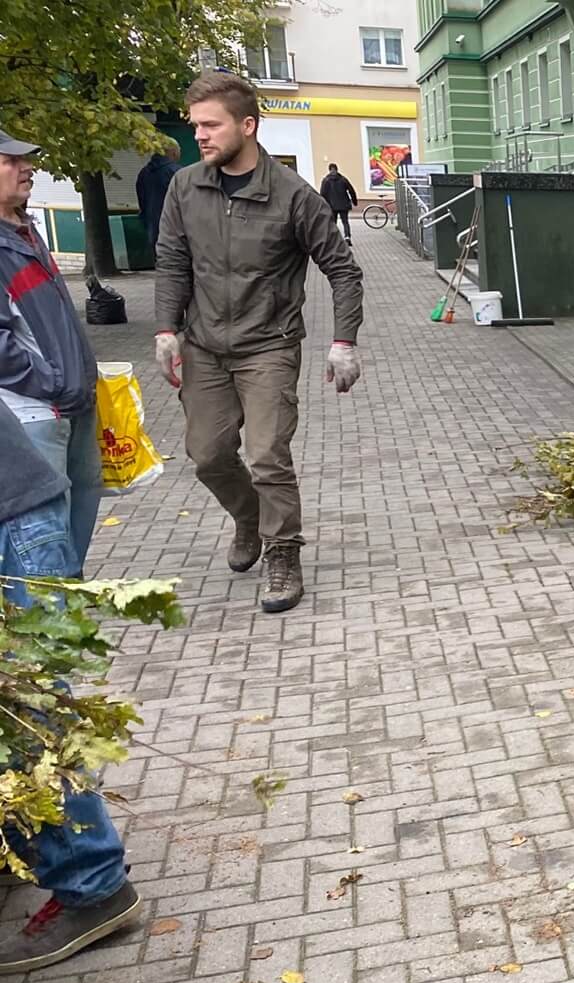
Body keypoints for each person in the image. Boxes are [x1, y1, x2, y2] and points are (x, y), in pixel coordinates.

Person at [154, 72, 365, 613]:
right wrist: (164, 329)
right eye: (195, 124)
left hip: (268, 346)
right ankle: (248, 517)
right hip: (204, 346)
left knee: (268, 454)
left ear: (247, 126)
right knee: (207, 455)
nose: (198, 135)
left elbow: (342, 270)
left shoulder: (293, 197)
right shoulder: (185, 187)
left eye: (210, 125)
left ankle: (282, 551)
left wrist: (344, 341)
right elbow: (174, 262)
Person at [0, 406, 144, 975]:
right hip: (20, 506)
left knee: (29, 711)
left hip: (9, 523)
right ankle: (30, 841)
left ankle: (93, 885)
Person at [0, 129, 103, 571]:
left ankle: (65, 615)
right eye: (11, 161)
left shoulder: (26, 231)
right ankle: (49, 630)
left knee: (72, 535)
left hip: (74, 405)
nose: (28, 169)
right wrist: (53, 383)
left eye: (27, 159)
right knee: (45, 548)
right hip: (35, 416)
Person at [135, 138, 181, 261]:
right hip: (176, 230)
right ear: (173, 152)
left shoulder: (143, 173)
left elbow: (142, 202)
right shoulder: (177, 173)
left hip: (153, 228)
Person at [319, 163, 358, 244]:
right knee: (345, 222)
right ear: (337, 169)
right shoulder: (343, 179)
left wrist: (323, 206)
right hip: (344, 205)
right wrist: (354, 202)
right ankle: (347, 237)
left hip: (332, 206)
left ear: (329, 170)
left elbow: (322, 194)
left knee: (333, 223)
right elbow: (351, 190)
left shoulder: (326, 180)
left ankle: (334, 240)